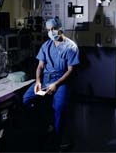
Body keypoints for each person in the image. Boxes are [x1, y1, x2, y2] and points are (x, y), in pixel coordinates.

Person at [23, 16, 79, 150]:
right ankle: (44, 125)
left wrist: (56, 85)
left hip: (61, 81)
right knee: (26, 99)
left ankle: (58, 138)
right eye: (49, 29)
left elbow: (71, 70)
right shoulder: (46, 45)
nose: (51, 32)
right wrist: (38, 81)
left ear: (60, 28)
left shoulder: (70, 47)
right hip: (45, 80)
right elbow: (40, 66)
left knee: (59, 108)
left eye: (53, 28)